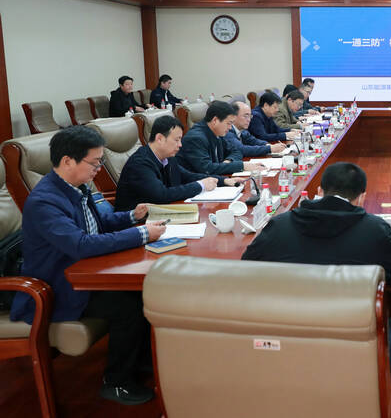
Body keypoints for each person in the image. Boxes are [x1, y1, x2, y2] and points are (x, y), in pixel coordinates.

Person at [9, 126, 166, 405]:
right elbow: (80, 244)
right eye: (94, 163)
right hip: (56, 286)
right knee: (127, 306)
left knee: (141, 294)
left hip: (84, 273)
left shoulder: (76, 187)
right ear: (68, 161)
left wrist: (132, 216)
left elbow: (97, 225)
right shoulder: (45, 201)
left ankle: (139, 363)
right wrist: (142, 234)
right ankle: (116, 382)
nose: (99, 168)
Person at [242, 162, 391, 373]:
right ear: (362, 197)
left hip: (289, 337)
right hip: (353, 339)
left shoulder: (280, 225)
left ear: (319, 191)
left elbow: (247, 268)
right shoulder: (374, 229)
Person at [115, 115, 237, 211]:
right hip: (137, 223)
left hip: (161, 213)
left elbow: (187, 176)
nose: (180, 145)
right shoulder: (140, 163)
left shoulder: (168, 157)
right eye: (176, 140)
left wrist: (222, 180)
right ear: (160, 138)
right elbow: (162, 195)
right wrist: (201, 185)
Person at [177, 101, 260, 175]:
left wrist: (228, 161)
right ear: (215, 120)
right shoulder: (196, 138)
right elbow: (207, 168)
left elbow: (236, 151)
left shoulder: (216, 131)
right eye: (228, 123)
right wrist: (242, 166)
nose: (230, 128)